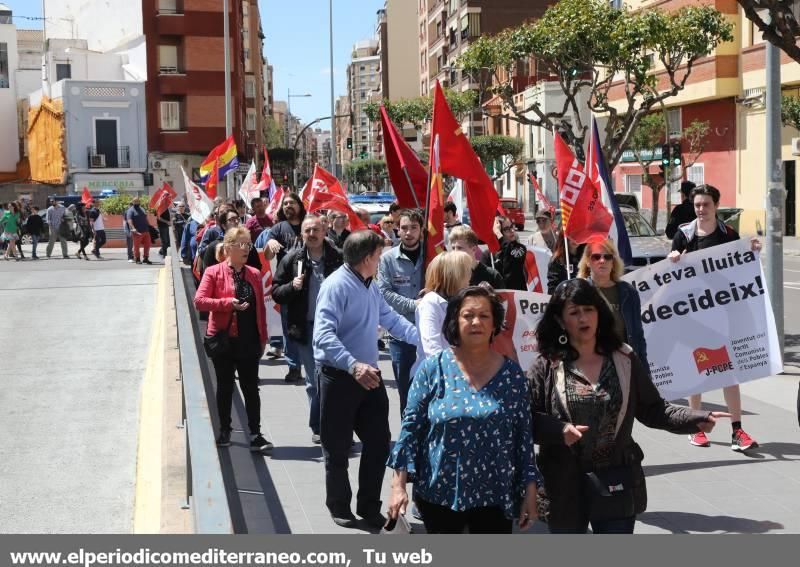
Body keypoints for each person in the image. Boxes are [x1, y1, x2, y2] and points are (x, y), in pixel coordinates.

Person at [528, 278, 729, 534]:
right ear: (559, 320)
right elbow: (527, 419)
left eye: (588, 309)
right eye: (574, 312)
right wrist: (558, 430)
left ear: (599, 313)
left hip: (616, 479)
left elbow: (654, 409)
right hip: (564, 484)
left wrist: (695, 417)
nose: (583, 318)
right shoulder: (546, 365)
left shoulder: (624, 358)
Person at [387, 286, 541, 534]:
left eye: (484, 316)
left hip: (495, 496)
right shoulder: (432, 369)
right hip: (440, 495)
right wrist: (398, 486)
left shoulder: (512, 376)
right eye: (468, 315)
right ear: (454, 322)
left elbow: (524, 439)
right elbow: (410, 431)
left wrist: (530, 490)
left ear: (494, 324)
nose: (476, 322)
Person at [313, 229, 420, 529]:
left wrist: (424, 340)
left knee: (378, 444)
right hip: (341, 377)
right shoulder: (336, 286)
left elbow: (390, 319)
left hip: (369, 376)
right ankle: (338, 505)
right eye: (378, 254)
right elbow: (322, 336)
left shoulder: (370, 285)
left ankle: (369, 505)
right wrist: (352, 365)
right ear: (366, 258)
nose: (382, 259)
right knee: (336, 448)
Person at [669, 184, 762, 451]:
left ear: (716, 206)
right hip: (693, 315)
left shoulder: (728, 234)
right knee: (697, 370)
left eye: (706, 205)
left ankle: (737, 431)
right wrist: (673, 258)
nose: (701, 209)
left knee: (728, 373)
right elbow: (668, 273)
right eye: (697, 205)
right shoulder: (684, 235)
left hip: (723, 315)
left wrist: (752, 249)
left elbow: (743, 264)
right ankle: (696, 427)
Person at [194, 226, 272, 453]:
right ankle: (225, 430)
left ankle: (255, 434)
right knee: (225, 386)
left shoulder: (254, 274)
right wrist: (227, 303)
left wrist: (263, 337)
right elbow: (199, 301)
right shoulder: (213, 272)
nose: (246, 248)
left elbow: (260, 310)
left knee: (250, 388)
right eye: (240, 244)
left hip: (249, 339)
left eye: (248, 244)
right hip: (223, 339)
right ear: (228, 248)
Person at [273, 215, 344, 445]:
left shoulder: (338, 258)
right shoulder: (293, 259)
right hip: (306, 329)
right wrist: (291, 287)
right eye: (307, 231)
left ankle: (338, 426)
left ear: (324, 231)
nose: (311, 234)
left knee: (338, 382)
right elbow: (276, 291)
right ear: (301, 234)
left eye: (316, 230)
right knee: (315, 382)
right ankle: (319, 426)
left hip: (336, 330)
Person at [377, 209, 424, 416]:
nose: (408, 232)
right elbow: (384, 292)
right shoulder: (387, 259)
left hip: (430, 331)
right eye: (404, 228)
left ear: (421, 229)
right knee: (405, 389)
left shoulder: (434, 255)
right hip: (401, 333)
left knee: (429, 387)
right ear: (397, 229)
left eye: (414, 227)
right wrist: (415, 305)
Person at [578, 237, 648, 368]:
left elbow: (638, 337)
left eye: (607, 257)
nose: (602, 261)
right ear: (587, 261)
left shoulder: (629, 292)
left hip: (625, 366)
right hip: (592, 369)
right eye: (596, 257)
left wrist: (645, 373)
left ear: (613, 261)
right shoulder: (579, 292)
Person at [263, 192, 307, 383]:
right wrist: (269, 243)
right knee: (290, 329)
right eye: (285, 203)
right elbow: (267, 257)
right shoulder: (278, 228)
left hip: (310, 284)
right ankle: (294, 367)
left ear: (300, 205)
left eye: (292, 202)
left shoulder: (309, 224)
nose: (288, 206)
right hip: (287, 287)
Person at [414, 251, 474, 362]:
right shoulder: (431, 302)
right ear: (453, 275)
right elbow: (432, 347)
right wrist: (452, 373)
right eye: (465, 270)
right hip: (438, 374)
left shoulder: (458, 301)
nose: (470, 275)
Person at [480, 216, 527, 290]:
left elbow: (510, 251)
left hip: (517, 297)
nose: (512, 230)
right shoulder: (488, 255)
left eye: (512, 226)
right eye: (506, 229)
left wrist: (499, 234)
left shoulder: (519, 248)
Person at [126, 196, 152, 264]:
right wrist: (133, 228)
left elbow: (145, 218)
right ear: (133, 202)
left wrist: (149, 226)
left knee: (147, 244)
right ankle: (137, 258)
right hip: (137, 232)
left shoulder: (142, 209)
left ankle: (146, 258)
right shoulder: (130, 210)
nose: (136, 202)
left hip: (146, 230)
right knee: (136, 246)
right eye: (135, 201)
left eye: (137, 201)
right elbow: (129, 220)